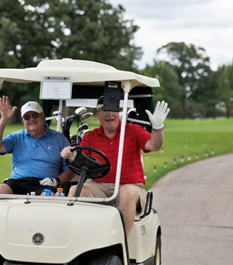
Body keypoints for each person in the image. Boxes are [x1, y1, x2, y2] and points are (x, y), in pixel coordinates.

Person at [61, 96, 169, 236]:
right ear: (98, 115)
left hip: (130, 186)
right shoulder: (91, 137)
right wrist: (69, 154)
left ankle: (120, 243)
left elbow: (154, 145)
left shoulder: (133, 130)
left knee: (127, 192)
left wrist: (157, 128)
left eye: (113, 109)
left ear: (118, 112)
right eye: (104, 110)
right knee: (76, 190)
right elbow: (79, 160)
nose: (109, 113)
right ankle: (87, 239)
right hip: (98, 186)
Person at [0, 97, 74, 195]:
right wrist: (4, 120)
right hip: (18, 182)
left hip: (45, 183)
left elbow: (71, 169)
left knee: (48, 195)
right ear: (23, 121)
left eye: (35, 115)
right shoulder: (17, 137)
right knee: (0, 190)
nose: (31, 119)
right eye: (27, 117)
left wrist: (56, 181)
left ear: (43, 117)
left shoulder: (59, 139)